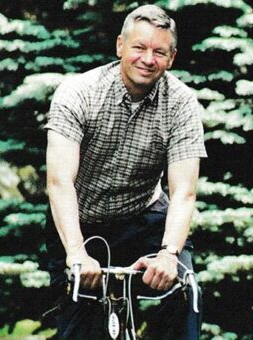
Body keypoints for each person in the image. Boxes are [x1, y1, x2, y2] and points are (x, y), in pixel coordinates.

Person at [43, 4, 206, 339]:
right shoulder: (78, 94)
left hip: (143, 218)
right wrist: (76, 251)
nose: (148, 59)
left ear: (171, 58)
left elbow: (184, 191)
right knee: (78, 326)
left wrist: (169, 254)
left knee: (185, 294)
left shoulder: (182, 103)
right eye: (139, 48)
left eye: (159, 51)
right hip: (82, 221)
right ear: (120, 46)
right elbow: (59, 183)